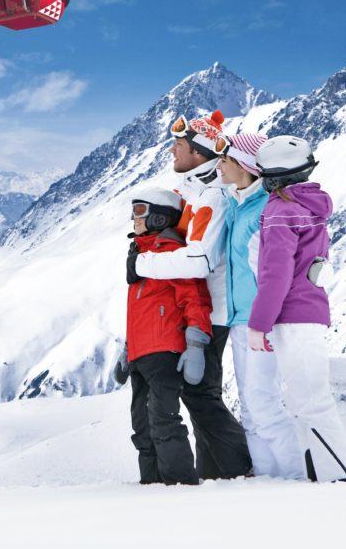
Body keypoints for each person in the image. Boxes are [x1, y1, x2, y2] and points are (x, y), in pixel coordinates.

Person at [135, 110, 252, 480]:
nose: (172, 149)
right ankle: (218, 474)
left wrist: (144, 265)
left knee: (200, 395)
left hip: (212, 312)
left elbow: (200, 258)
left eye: (180, 144)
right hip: (195, 311)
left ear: (199, 153)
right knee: (198, 394)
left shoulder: (211, 199)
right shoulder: (191, 192)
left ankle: (242, 468)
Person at [248, 135, 346, 482]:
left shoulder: (280, 211)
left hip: (293, 315)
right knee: (305, 400)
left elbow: (275, 275)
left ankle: (340, 478)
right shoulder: (310, 206)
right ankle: (325, 477)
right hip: (306, 311)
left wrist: (258, 324)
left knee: (311, 401)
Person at [216, 132, 304, 479]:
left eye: (225, 159)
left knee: (264, 403)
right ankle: (267, 479)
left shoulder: (262, 211)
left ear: (245, 165)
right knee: (252, 409)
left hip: (261, 322)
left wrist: (261, 321)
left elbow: (270, 273)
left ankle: (296, 478)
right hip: (241, 320)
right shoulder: (238, 205)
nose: (219, 165)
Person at [121, 189, 213, 485]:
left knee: (163, 421)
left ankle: (180, 487)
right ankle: (151, 486)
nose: (133, 217)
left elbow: (194, 299)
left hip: (165, 352)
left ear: (159, 216)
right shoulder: (142, 257)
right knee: (142, 426)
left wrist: (196, 342)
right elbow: (140, 312)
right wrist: (128, 349)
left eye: (139, 210)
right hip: (141, 353)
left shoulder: (172, 255)